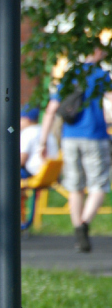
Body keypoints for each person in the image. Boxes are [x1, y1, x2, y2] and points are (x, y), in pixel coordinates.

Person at [38, 47, 111, 253]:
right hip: (96, 136)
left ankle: (78, 228)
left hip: (70, 137)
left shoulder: (69, 75)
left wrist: (43, 142)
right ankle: (85, 224)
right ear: (97, 52)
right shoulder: (100, 75)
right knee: (99, 185)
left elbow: (52, 109)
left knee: (75, 186)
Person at [20, 106, 59, 179]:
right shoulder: (46, 132)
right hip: (51, 173)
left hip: (34, 173)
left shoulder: (27, 132)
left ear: (27, 119)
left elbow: (21, 159)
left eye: (20, 119)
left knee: (5, 170)